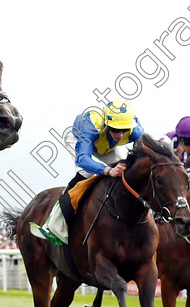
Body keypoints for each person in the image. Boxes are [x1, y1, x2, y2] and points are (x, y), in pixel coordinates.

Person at [38, 100, 145, 243]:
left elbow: (143, 156)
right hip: (79, 138)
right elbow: (82, 159)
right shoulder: (91, 126)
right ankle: (55, 220)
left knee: (125, 172)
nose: (120, 135)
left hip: (106, 145)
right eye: (115, 129)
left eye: (124, 130)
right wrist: (107, 170)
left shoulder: (135, 129)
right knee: (86, 173)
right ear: (106, 124)